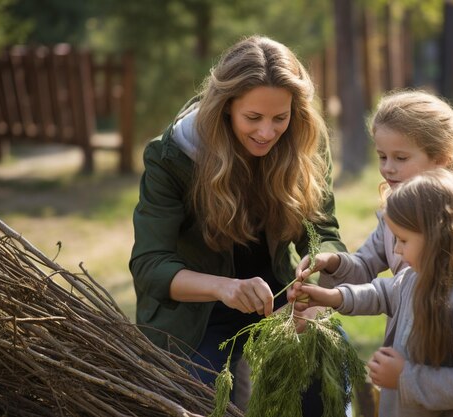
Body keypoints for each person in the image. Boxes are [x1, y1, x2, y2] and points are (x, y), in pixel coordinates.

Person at [129, 35, 346, 414]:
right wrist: (224, 288)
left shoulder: (301, 144)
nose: (267, 133)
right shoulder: (173, 156)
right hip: (196, 317)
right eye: (253, 118)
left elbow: (322, 233)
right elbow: (150, 266)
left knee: (326, 365)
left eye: (280, 118)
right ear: (226, 107)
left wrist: (322, 269)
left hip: (277, 302)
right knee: (199, 400)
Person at [291, 89, 453, 412]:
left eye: (401, 158)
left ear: (442, 156)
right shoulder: (396, 214)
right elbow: (371, 270)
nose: (388, 168)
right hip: (421, 349)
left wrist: (408, 376)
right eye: (382, 156)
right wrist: (333, 261)